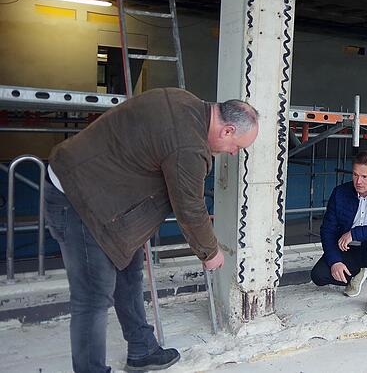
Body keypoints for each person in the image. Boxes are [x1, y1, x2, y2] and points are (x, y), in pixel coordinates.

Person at [44, 87, 259, 373]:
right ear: (228, 130)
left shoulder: (184, 99)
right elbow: (189, 207)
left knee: (129, 276)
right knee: (92, 298)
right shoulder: (190, 146)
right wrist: (210, 251)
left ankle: (142, 350)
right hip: (81, 201)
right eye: (238, 147)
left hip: (111, 205)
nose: (233, 153)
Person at [310, 150, 367, 316]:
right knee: (318, 275)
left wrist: (355, 233)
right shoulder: (340, 193)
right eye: (355, 175)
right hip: (348, 249)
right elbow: (328, 229)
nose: (358, 181)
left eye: (365, 177)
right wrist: (335, 261)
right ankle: (357, 272)